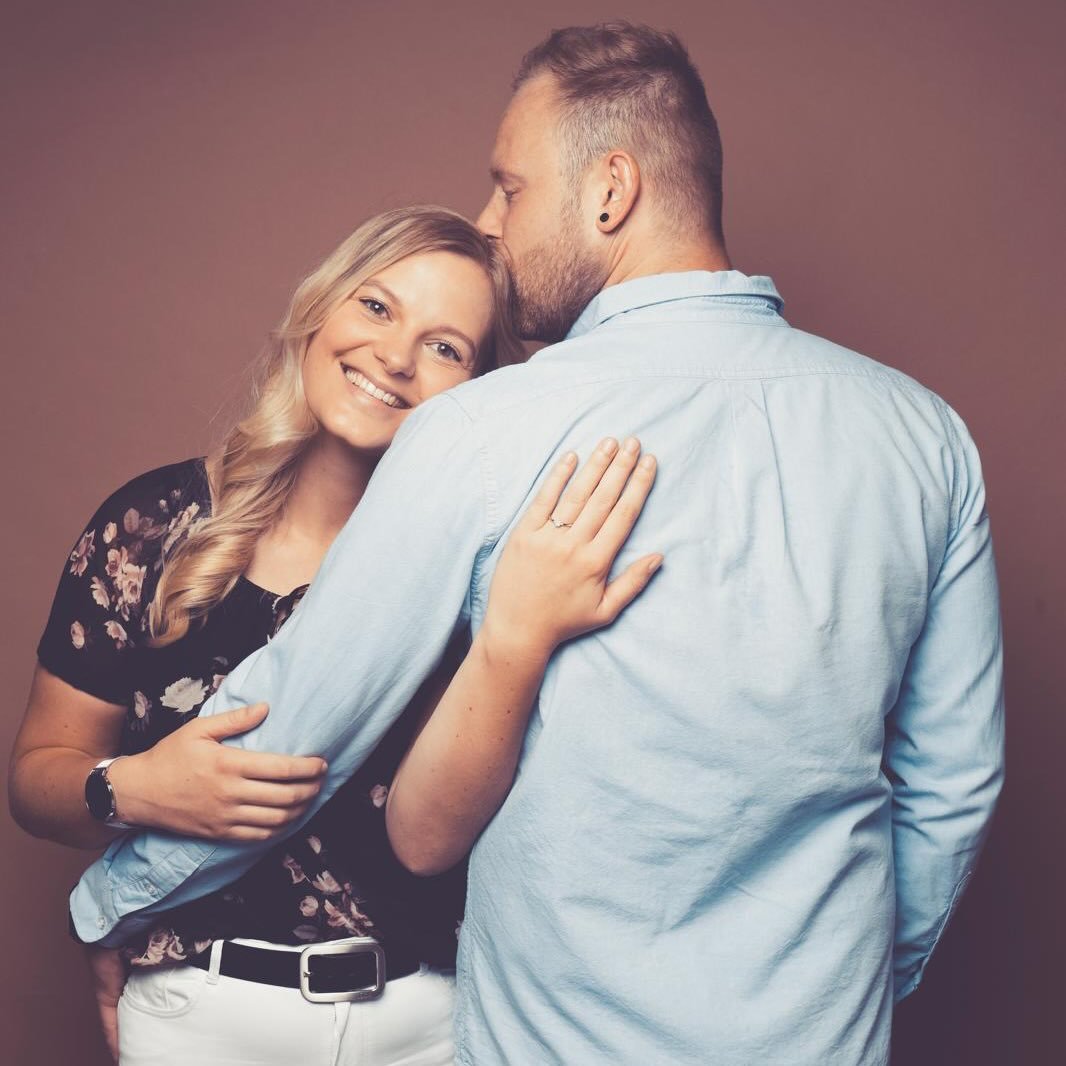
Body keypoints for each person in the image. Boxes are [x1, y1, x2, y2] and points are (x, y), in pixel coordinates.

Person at [62, 22, 1004, 1065]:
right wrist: (854, 987)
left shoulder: (483, 429)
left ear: (610, 191)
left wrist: (114, 903)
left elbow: (294, 731)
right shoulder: (925, 438)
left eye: (509, 188)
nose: (488, 222)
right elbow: (953, 788)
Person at [8, 204, 661, 1065]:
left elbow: (447, 840)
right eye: (377, 307)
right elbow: (36, 780)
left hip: (426, 1025)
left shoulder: (490, 578)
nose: (394, 357)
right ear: (319, 310)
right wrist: (137, 788)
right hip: (199, 1020)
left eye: (445, 347)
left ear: (482, 390)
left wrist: (519, 633)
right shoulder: (151, 527)